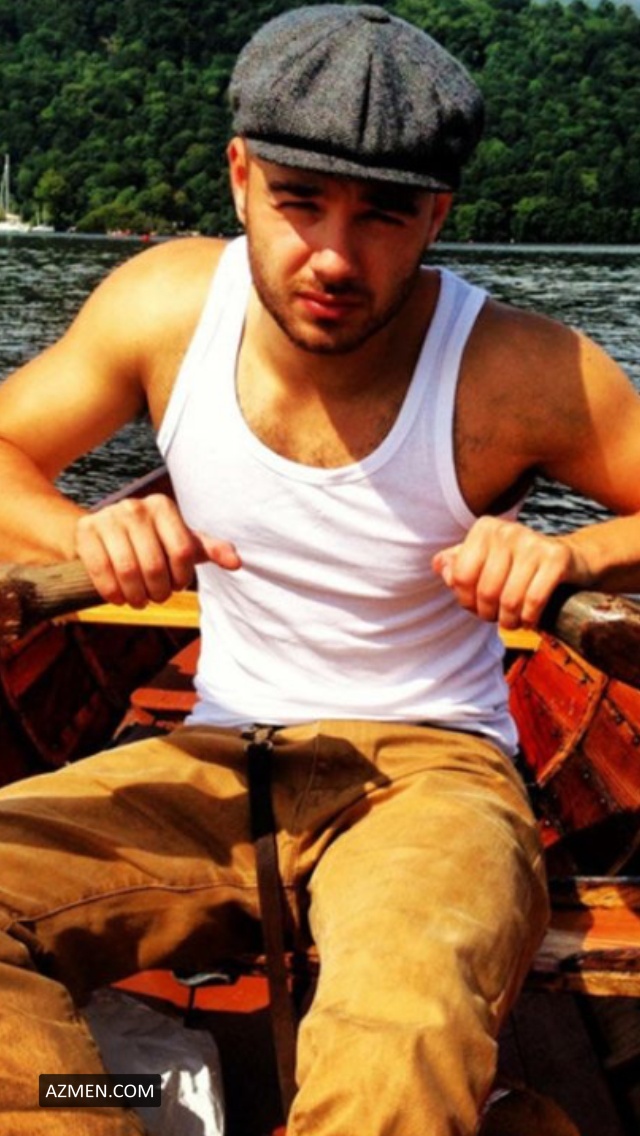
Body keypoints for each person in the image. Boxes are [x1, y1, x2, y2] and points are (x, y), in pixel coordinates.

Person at [0, 4, 639, 1134]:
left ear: (437, 214)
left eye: (382, 214)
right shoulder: (164, 307)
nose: (335, 256)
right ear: (240, 177)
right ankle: (123, 1100)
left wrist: (569, 549)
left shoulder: (523, 368)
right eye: (299, 202)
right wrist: (80, 533)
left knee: (399, 1030)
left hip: (431, 773)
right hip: (215, 754)